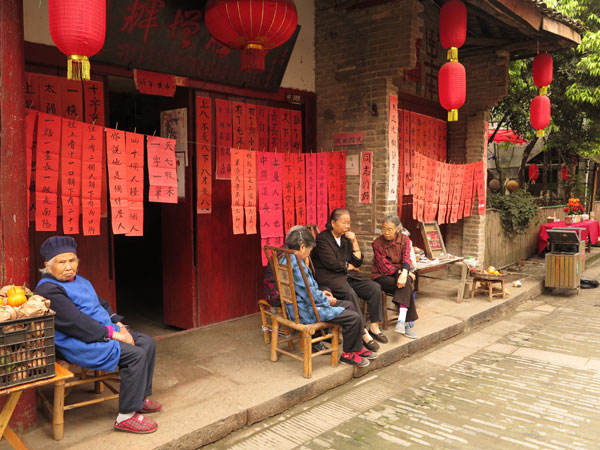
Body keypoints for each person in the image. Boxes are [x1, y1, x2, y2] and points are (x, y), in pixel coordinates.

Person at [35, 236, 161, 434]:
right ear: (48, 265)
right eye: (61, 262)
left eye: (72, 260)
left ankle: (139, 398)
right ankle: (126, 416)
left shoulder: (80, 280)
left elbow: (100, 303)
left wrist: (118, 323)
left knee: (147, 343)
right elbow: (75, 323)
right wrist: (114, 334)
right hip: (76, 340)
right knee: (135, 355)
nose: (68, 266)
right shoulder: (49, 289)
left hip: (102, 329)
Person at [282, 226, 377, 367]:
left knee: (349, 305)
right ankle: (347, 355)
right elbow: (309, 294)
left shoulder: (286, 258)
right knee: (353, 318)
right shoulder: (297, 266)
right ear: (302, 247)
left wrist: (321, 293)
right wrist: (326, 299)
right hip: (306, 311)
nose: (309, 254)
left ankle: (356, 348)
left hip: (302, 305)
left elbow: (305, 290)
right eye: (309, 251)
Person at [312, 209, 385, 351]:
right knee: (349, 293)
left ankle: (374, 327)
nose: (347, 226)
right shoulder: (322, 238)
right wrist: (347, 266)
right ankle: (362, 332)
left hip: (347, 275)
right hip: (329, 277)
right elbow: (330, 262)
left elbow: (357, 263)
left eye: (349, 223)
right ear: (333, 223)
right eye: (344, 222)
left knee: (373, 287)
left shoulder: (346, 239)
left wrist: (355, 241)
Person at [371, 216, 419, 338]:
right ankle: (405, 323)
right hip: (382, 276)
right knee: (406, 283)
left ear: (398, 229)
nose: (386, 233)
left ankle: (401, 322)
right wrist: (403, 273)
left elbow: (406, 258)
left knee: (405, 282)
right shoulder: (377, 243)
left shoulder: (405, 239)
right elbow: (384, 267)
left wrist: (404, 273)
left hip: (399, 274)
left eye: (389, 230)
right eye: (384, 229)